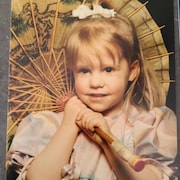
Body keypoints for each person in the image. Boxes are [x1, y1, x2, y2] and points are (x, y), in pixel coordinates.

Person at [7, 3, 177, 180]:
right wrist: (68, 126)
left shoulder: (146, 126)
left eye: (108, 69)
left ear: (132, 70)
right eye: (84, 71)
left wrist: (109, 143)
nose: (95, 83)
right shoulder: (51, 125)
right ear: (72, 71)